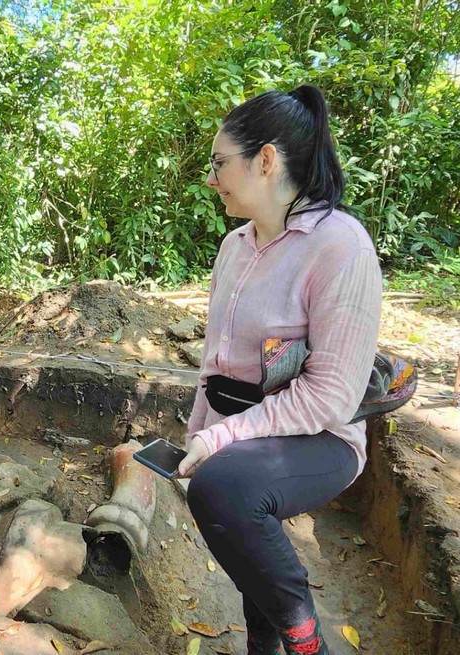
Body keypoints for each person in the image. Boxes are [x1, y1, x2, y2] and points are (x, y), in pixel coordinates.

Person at [176, 85, 382, 655]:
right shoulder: (235, 246)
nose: (211, 179)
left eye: (220, 164)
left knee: (226, 490)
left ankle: (306, 639)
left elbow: (331, 397)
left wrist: (221, 438)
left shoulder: (341, 248)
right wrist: (199, 431)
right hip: (243, 432)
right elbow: (215, 362)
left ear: (266, 160)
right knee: (237, 511)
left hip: (318, 436)